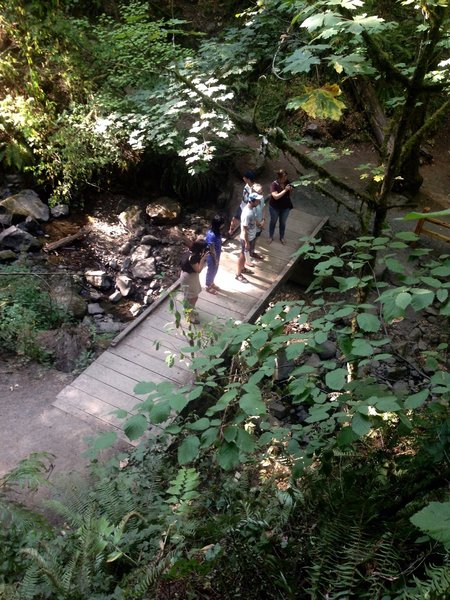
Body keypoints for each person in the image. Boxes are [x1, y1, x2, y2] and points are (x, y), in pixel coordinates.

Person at [179, 237, 209, 323]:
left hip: (188, 276)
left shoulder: (189, 252)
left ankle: (188, 310)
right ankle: (189, 315)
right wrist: (203, 260)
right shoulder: (192, 257)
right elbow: (198, 270)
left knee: (188, 296)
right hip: (189, 278)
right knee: (193, 297)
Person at [236, 194, 258, 282]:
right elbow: (244, 229)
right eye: (257, 201)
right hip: (246, 238)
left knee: (245, 255)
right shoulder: (247, 213)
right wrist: (247, 242)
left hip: (251, 236)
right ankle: (238, 274)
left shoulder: (251, 209)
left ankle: (242, 268)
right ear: (252, 201)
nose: (258, 202)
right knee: (242, 255)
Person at [268, 169, 294, 245]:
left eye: (286, 177)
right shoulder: (274, 184)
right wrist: (285, 190)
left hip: (285, 207)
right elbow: (275, 196)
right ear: (279, 177)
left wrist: (290, 190)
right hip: (274, 207)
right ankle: (270, 236)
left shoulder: (287, 182)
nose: (285, 179)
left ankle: (281, 237)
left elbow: (289, 194)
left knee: (283, 222)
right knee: (273, 221)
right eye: (284, 177)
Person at [228, 170, 255, 236]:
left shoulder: (254, 189)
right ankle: (230, 231)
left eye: (244, 177)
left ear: (248, 179)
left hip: (247, 209)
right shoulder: (246, 185)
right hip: (242, 206)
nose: (243, 178)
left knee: (245, 223)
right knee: (234, 219)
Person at [205, 214, 225, 294]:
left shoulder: (217, 233)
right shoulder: (212, 235)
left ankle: (212, 282)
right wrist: (215, 260)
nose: (223, 225)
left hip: (217, 254)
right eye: (222, 224)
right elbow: (211, 249)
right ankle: (208, 285)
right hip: (212, 256)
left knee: (215, 269)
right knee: (211, 270)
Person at [249, 185, 265, 260]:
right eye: (259, 193)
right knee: (251, 239)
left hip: (260, 224)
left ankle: (252, 252)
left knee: (255, 239)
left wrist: (263, 220)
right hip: (254, 226)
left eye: (262, 192)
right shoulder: (252, 204)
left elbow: (263, 209)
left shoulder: (261, 199)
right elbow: (252, 217)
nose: (261, 195)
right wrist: (259, 224)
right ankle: (248, 254)